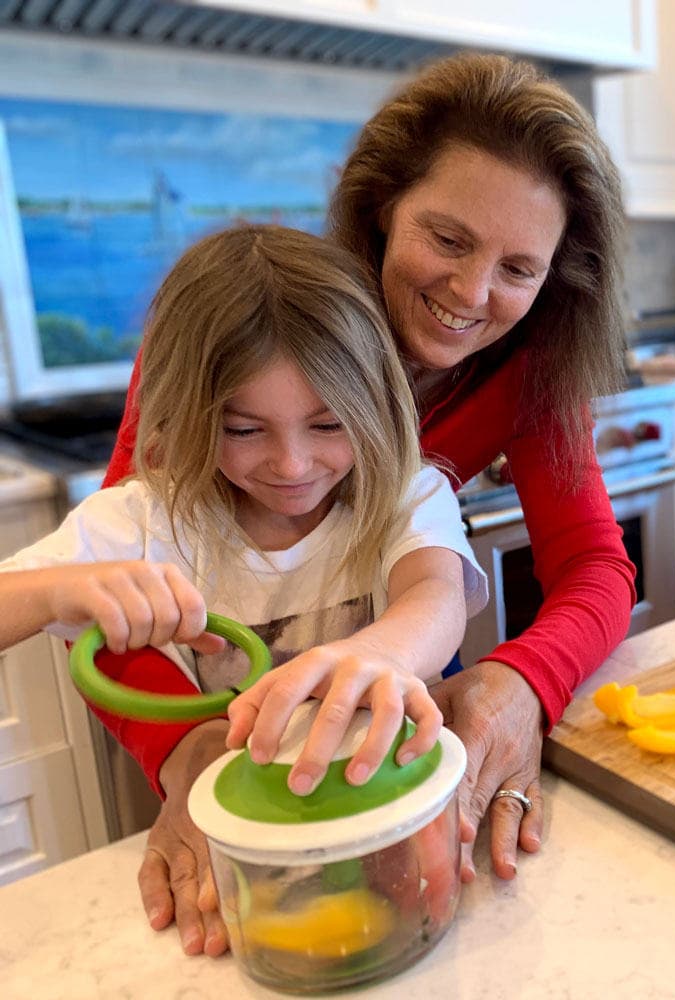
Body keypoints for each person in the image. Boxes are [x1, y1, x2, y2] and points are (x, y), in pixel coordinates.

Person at [98, 52, 635, 957]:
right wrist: (186, 759)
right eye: (449, 239)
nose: (472, 295)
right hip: (219, 744)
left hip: (399, 756)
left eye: (519, 267)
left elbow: (592, 567)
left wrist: (516, 687)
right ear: (382, 206)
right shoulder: (239, 329)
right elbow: (111, 583)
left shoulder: (531, 366)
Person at [0, 223, 487, 793]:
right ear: (191, 416)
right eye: (245, 429)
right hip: (246, 823)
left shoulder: (406, 494)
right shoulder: (146, 520)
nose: (292, 465)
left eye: (328, 424)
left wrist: (379, 652)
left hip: (393, 798)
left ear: (376, 405)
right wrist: (57, 591)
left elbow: (436, 596)